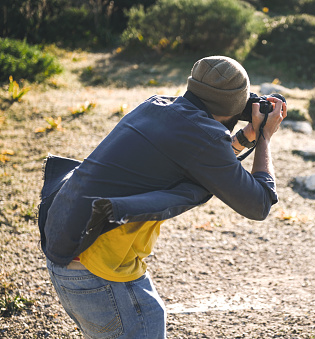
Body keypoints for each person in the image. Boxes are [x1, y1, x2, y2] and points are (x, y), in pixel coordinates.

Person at [38, 55, 287, 339]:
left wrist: (247, 134)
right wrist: (265, 136)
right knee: (146, 320)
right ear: (235, 106)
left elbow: (203, 157)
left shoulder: (157, 106)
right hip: (98, 271)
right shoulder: (202, 138)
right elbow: (260, 203)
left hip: (66, 249)